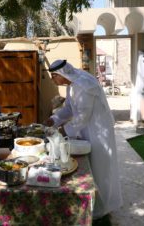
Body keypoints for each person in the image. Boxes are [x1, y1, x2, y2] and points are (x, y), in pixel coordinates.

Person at [44, 59, 123, 219]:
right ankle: (91, 202)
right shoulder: (72, 84)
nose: (53, 81)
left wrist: (63, 130)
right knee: (90, 167)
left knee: (100, 167)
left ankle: (102, 207)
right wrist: (55, 119)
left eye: (53, 77)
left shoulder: (84, 85)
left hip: (99, 131)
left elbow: (82, 116)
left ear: (60, 74)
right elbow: (69, 108)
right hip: (87, 129)